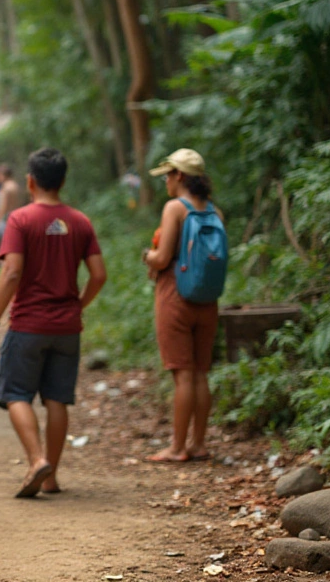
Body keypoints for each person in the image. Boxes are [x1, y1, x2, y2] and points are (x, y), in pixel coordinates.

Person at [0, 148, 107, 497]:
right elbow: (98, 274)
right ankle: (51, 478)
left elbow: (12, 271)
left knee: (15, 393)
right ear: (63, 180)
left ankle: (37, 461)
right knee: (57, 399)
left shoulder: (20, 220)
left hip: (28, 325)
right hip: (67, 327)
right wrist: (78, 305)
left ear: (30, 181)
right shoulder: (80, 221)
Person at [143, 149, 220, 463]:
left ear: (179, 176)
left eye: (168, 175)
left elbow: (162, 259)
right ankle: (198, 444)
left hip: (175, 296)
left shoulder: (175, 208)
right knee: (201, 373)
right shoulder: (214, 211)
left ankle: (177, 448)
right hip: (208, 299)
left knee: (183, 377)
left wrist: (147, 256)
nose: (165, 181)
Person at [0, 164, 21, 232]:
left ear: (2, 175)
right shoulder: (16, 186)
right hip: (18, 217)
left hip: (7, 219)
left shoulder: (5, 188)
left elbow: (3, 207)